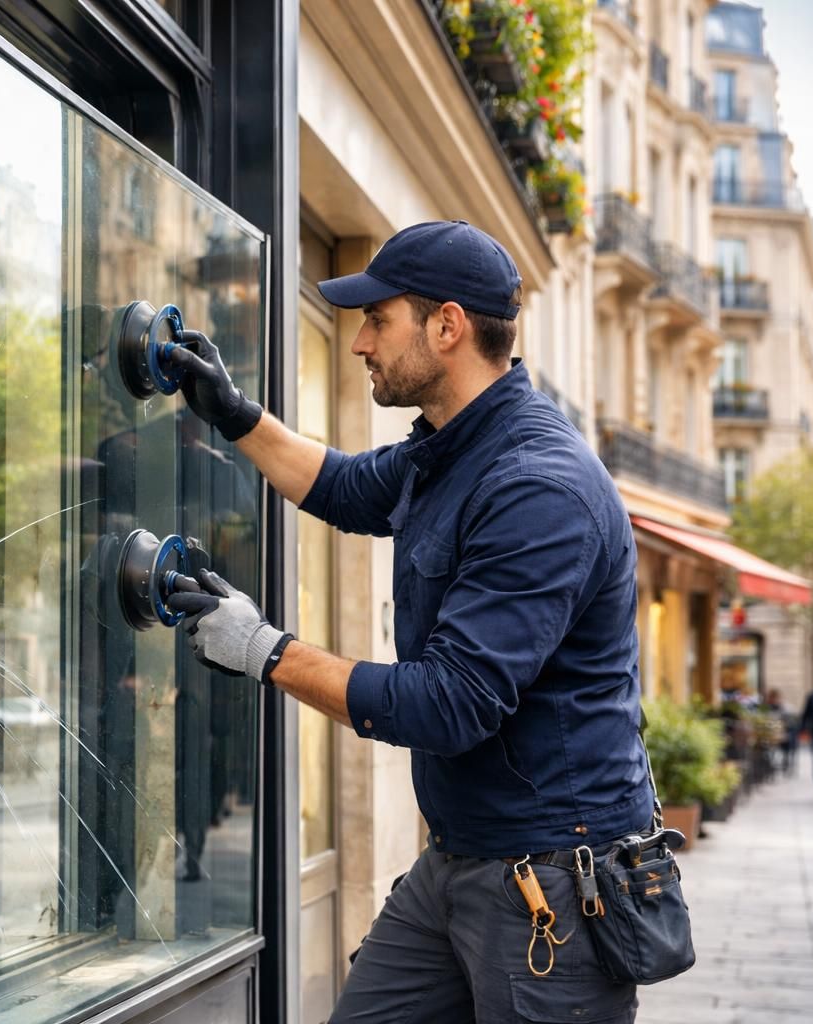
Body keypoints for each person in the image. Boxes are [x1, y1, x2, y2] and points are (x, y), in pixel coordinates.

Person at [164, 221, 660, 1022]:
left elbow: (451, 704)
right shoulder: (452, 448)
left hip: (555, 887)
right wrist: (232, 411)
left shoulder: (537, 486)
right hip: (461, 860)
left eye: (377, 320)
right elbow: (342, 484)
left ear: (447, 326)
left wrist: (264, 651)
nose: (358, 343)